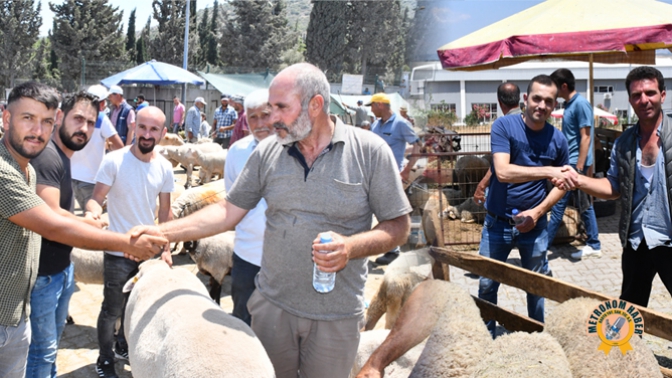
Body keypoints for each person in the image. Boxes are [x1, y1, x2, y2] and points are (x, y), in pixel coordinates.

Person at [129, 63, 411, 378]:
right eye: (269, 107)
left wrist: (351, 247)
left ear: (315, 105)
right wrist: (161, 231)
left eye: (281, 107)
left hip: (336, 316)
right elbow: (227, 211)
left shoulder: (370, 152)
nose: (272, 117)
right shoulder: (269, 153)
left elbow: (398, 226)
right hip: (272, 310)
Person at [0, 82, 163, 378]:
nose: (38, 130)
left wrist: (88, 222)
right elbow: (53, 225)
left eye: (46, 121)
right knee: (42, 353)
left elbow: (55, 217)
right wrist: (125, 240)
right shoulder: (7, 170)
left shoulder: (29, 167)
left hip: (17, 305)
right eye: (28, 118)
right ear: (6, 118)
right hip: (7, 311)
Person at [555, 66, 672, 308]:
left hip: (669, 239)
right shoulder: (624, 143)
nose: (644, 100)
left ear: (662, 95)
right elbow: (614, 187)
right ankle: (627, 347)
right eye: (637, 95)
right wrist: (578, 180)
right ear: (629, 99)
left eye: (650, 93)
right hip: (637, 239)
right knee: (630, 309)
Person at [478, 75, 572, 337]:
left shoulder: (558, 140)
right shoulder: (504, 126)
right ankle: (486, 340)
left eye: (549, 101)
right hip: (498, 223)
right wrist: (547, 171)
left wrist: (538, 212)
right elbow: (503, 172)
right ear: (525, 99)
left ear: (554, 106)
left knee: (536, 286)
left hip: (535, 225)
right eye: (537, 98)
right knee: (487, 284)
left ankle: (536, 338)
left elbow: (562, 184)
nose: (541, 105)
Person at [86, 106, 175, 378]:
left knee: (137, 306)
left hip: (147, 252)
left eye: (154, 129)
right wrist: (92, 213)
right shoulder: (114, 160)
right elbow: (96, 198)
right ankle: (104, 360)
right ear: (134, 127)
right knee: (111, 309)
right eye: (143, 128)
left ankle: (124, 345)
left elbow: (165, 213)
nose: (147, 135)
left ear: (163, 133)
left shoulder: (166, 167)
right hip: (117, 251)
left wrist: (167, 249)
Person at [26, 91, 108, 378]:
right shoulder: (49, 157)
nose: (83, 128)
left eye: (90, 122)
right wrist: (90, 227)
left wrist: (85, 216)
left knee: (50, 344)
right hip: (44, 276)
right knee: (42, 349)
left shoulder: (63, 157)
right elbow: (51, 216)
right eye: (78, 118)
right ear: (59, 117)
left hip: (60, 269)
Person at [223, 89, 274, 325]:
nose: (260, 123)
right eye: (253, 117)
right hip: (247, 255)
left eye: (265, 115)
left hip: (284, 259)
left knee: (278, 327)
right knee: (242, 319)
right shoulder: (236, 153)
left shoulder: (296, 150)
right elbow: (231, 202)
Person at [545, 68, 602, 259]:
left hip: (577, 166)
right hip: (571, 165)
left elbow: (586, 138)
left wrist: (578, 168)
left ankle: (542, 247)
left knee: (561, 204)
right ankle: (593, 243)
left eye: (554, 88)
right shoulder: (570, 105)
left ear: (563, 86)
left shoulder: (581, 104)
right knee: (581, 204)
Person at [368, 92, 421, 265]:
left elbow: (417, 146)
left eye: (372, 105)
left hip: (393, 175)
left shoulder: (400, 124)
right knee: (381, 212)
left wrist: (407, 170)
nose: (371, 109)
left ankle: (394, 251)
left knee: (392, 212)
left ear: (380, 105)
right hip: (375, 175)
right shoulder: (376, 125)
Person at [71, 85, 124, 209]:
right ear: (101, 102)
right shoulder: (101, 118)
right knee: (92, 219)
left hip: (72, 177)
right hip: (91, 180)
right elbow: (119, 146)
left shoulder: (73, 116)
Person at [473, 82, 522, 204]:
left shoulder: (502, 125)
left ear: (499, 101)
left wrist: (482, 185)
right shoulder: (531, 123)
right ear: (519, 98)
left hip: (507, 194)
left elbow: (498, 165)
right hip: (530, 195)